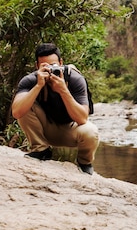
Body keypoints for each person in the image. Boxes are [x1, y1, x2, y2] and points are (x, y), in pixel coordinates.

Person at [12, 43, 99, 175]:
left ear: (61, 62)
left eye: (54, 65)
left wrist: (63, 90)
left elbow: (82, 118)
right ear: (37, 66)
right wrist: (38, 86)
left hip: (71, 130)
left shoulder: (75, 79)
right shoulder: (30, 80)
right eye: (45, 66)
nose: (51, 70)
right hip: (45, 130)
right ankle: (41, 150)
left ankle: (84, 163)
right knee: (25, 104)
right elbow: (17, 112)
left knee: (91, 131)